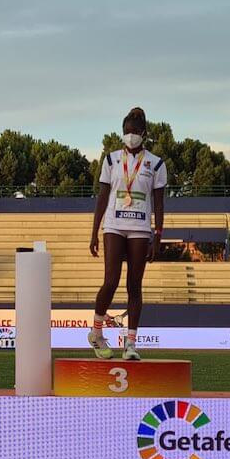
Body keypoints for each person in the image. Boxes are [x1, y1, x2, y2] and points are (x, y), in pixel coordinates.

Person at [88, 107, 166, 361]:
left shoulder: (156, 163)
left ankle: (130, 344)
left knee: (134, 285)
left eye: (134, 132)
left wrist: (158, 234)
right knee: (110, 281)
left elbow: (159, 202)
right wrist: (94, 232)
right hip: (114, 224)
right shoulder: (111, 160)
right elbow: (102, 198)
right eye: (126, 132)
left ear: (143, 133)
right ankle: (96, 332)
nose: (130, 136)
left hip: (140, 227)